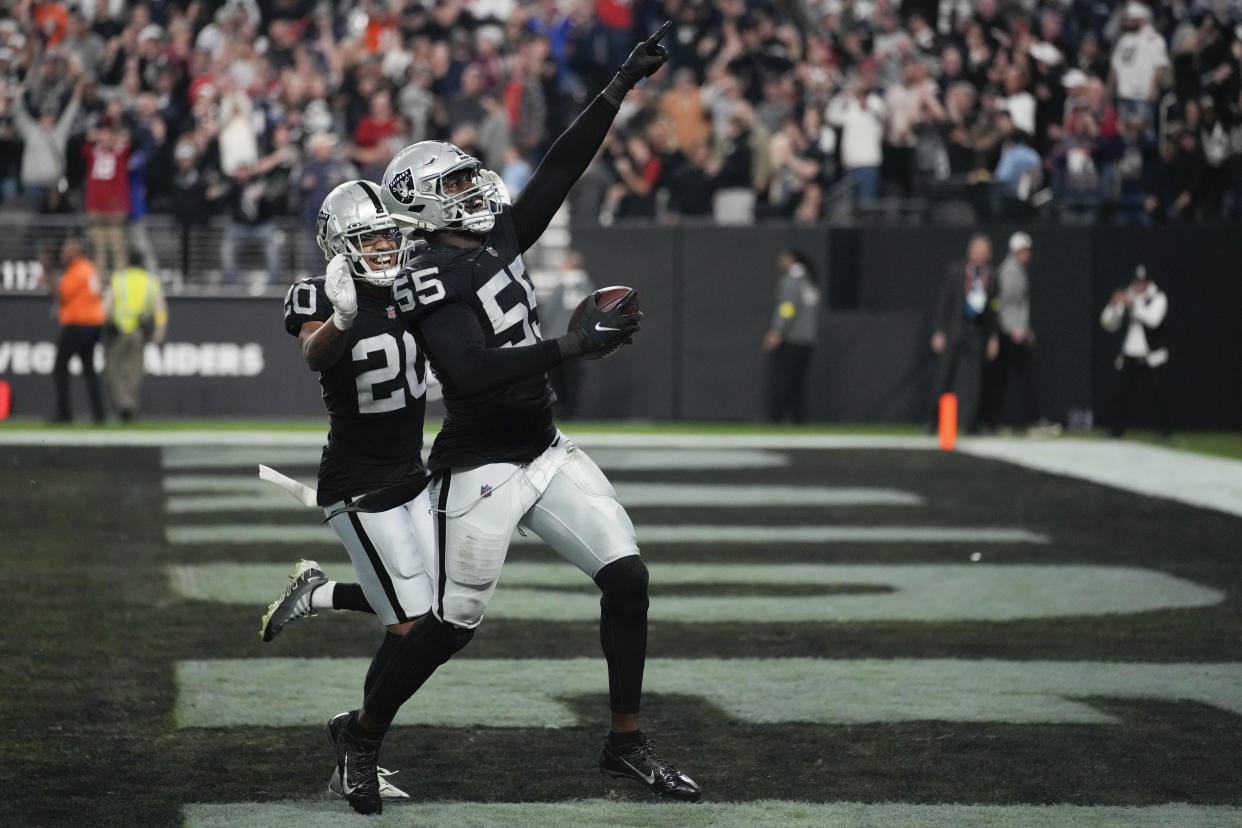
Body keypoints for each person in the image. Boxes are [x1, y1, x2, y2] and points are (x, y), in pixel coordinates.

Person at [321, 23, 700, 816]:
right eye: (454, 184)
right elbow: (468, 371)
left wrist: (616, 87)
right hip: (482, 462)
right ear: (421, 203)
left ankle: (624, 742)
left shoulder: (492, 230)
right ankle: (360, 737)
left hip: (544, 447)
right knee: (448, 626)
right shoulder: (421, 273)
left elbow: (562, 166)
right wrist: (571, 345)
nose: (474, 189)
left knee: (628, 578)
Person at [266, 179, 440, 803]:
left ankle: (318, 594)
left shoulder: (413, 288)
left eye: (391, 235)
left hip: (412, 470)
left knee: (447, 606)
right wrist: (341, 318)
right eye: (369, 239)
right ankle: (357, 747)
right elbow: (315, 354)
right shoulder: (321, 294)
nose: (386, 249)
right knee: (411, 626)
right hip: (359, 482)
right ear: (338, 244)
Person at [929, 234, 1000, 434]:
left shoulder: (992, 277)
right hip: (954, 330)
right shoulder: (956, 273)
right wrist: (939, 330)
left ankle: (970, 423)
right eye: (976, 250)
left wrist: (993, 337)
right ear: (970, 252)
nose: (979, 254)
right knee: (944, 376)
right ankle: (934, 421)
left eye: (983, 251)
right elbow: (944, 303)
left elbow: (994, 309)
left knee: (973, 381)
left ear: (989, 254)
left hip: (976, 332)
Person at [1100, 264, 1171, 437]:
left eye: (1143, 282)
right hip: (1130, 353)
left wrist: (1134, 306)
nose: (1139, 286)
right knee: (1121, 394)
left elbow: (1154, 320)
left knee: (1158, 393)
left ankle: (1164, 430)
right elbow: (1107, 323)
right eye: (1137, 282)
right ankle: (1116, 429)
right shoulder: (1127, 295)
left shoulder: (1158, 297)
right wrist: (1113, 305)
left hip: (1152, 355)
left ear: (1148, 282)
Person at [101, 250, 167, 422]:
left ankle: (124, 404)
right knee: (135, 371)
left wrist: (103, 323)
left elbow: (105, 305)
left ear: (127, 260)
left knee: (113, 368)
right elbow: (160, 309)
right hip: (139, 331)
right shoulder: (150, 281)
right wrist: (159, 331)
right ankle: (130, 404)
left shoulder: (119, 279)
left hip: (119, 331)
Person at [47, 237, 107, 424]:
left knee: (59, 366)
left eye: (67, 250)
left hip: (79, 324)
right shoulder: (88, 268)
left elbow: (60, 296)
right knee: (89, 370)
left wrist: (48, 272)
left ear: (77, 252)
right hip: (92, 325)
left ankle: (64, 413)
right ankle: (99, 414)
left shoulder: (78, 270)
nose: (63, 254)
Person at [533, 249, 594, 420]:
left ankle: (559, 412)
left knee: (555, 379)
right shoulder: (587, 286)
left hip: (557, 341)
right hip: (578, 341)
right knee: (573, 380)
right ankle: (572, 412)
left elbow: (547, 313)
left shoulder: (562, 286)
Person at [762, 250, 821, 423]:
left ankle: (775, 418)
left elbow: (787, 308)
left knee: (783, 379)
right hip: (808, 339)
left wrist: (777, 331)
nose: (779, 261)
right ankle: (799, 418)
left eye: (783, 257)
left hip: (793, 339)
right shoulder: (809, 281)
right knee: (798, 382)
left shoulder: (791, 282)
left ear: (791, 260)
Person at [993, 232, 1040, 430]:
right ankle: (1029, 421)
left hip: (1014, 331)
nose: (1027, 254)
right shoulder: (1010, 271)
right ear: (1015, 251)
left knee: (1007, 377)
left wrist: (1024, 327)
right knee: (1007, 377)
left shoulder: (1017, 270)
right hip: (1010, 333)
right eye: (1024, 250)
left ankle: (996, 421)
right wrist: (1014, 329)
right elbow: (1001, 303)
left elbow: (1017, 305)